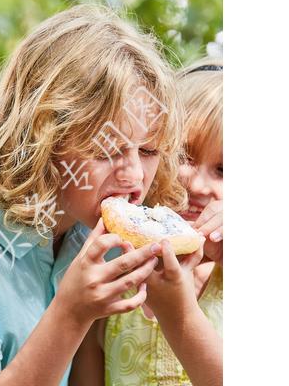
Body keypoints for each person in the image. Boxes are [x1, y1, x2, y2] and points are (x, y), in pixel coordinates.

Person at [0, 4, 192, 385]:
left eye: (147, 151)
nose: (133, 176)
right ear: (44, 137)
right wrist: (72, 313)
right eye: (107, 149)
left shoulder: (85, 227)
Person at [70, 58, 224, 386]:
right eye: (184, 157)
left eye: (224, 170)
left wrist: (178, 314)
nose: (198, 185)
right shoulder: (112, 268)